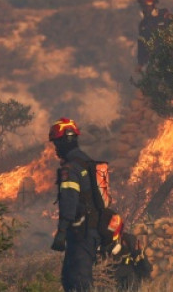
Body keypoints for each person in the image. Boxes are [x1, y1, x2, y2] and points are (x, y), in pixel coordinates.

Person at [49, 117, 100, 292]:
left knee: (76, 281)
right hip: (91, 230)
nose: (56, 148)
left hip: (80, 233)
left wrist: (61, 233)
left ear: (64, 141)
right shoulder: (87, 162)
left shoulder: (70, 169)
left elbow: (69, 202)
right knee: (75, 279)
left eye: (56, 143)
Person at [136, 0, 173, 70]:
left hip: (169, 59)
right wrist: (140, 63)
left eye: (147, 4)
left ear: (154, 4)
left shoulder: (165, 16)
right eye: (143, 5)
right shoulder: (143, 24)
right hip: (152, 62)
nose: (145, 7)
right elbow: (141, 44)